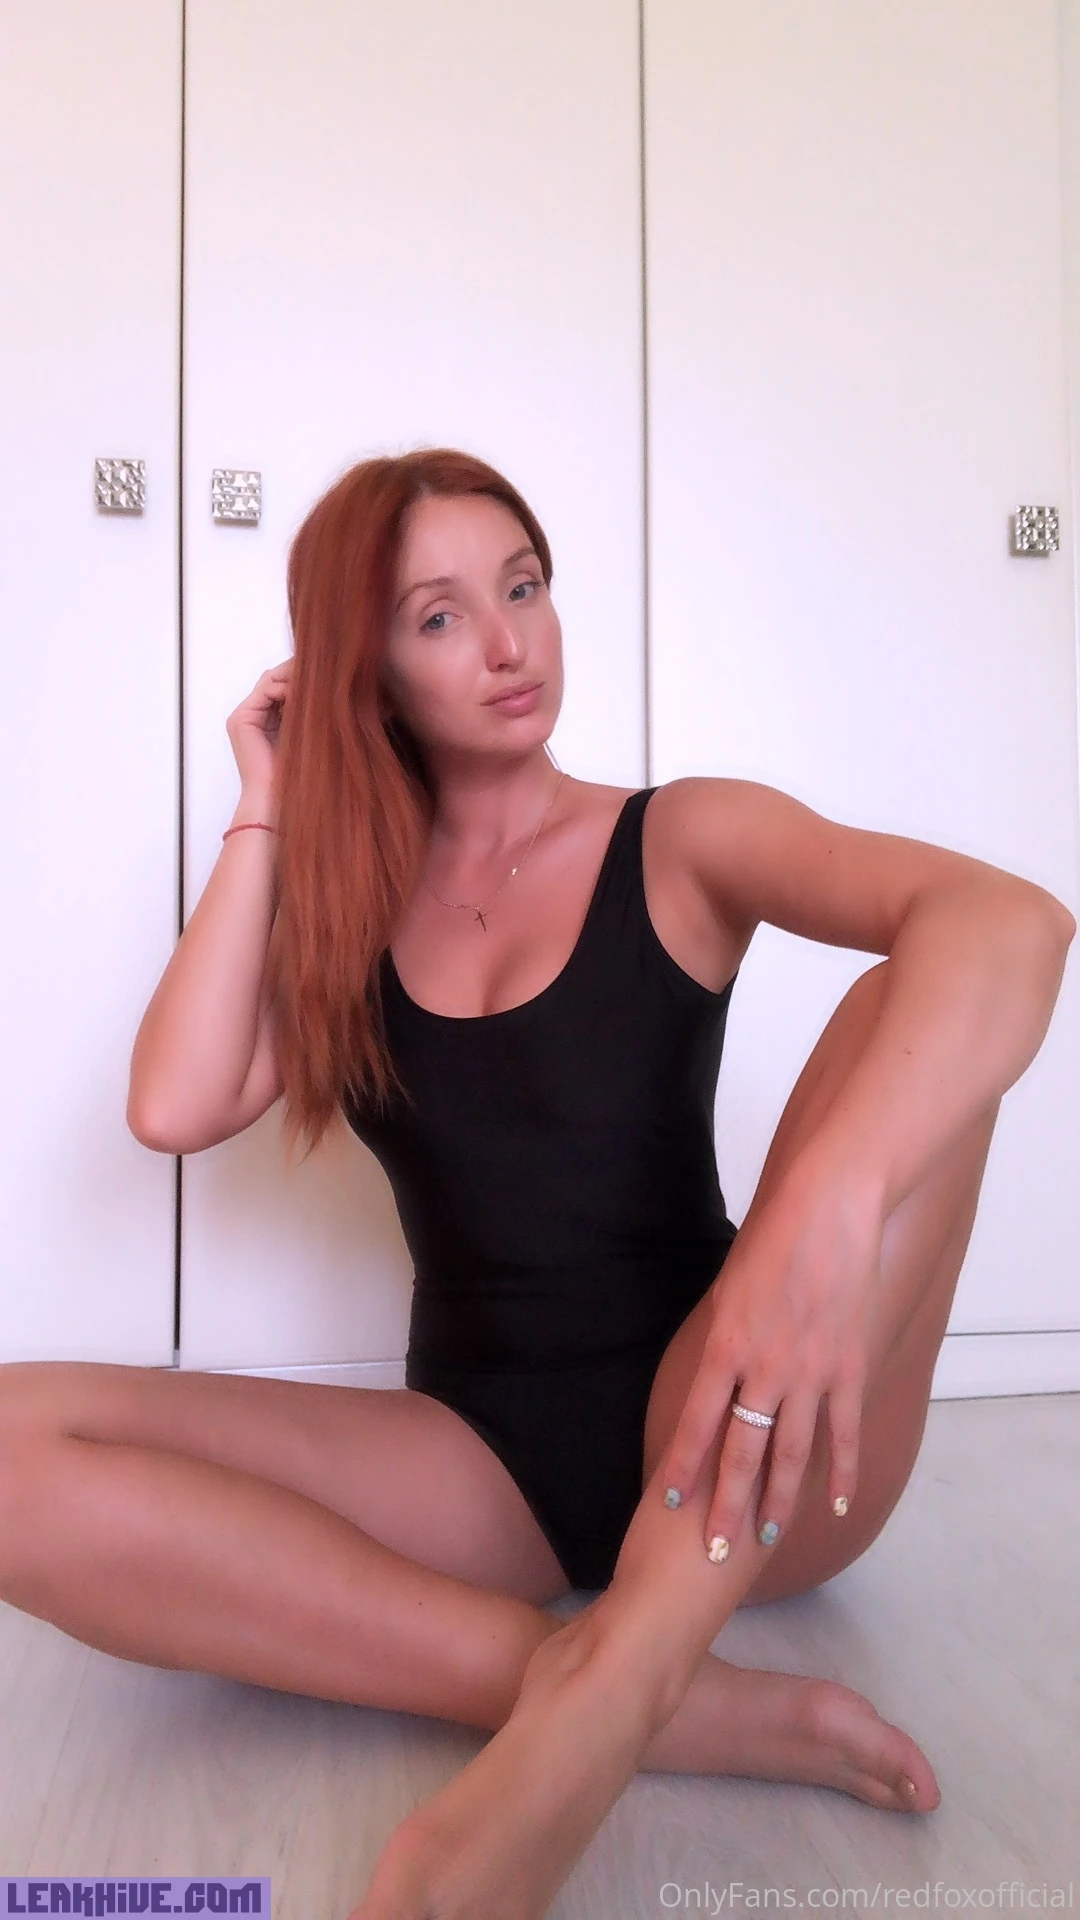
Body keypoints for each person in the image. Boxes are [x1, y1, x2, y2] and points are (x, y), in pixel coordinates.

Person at [0, 448, 1073, 1920]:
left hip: (737, 1416)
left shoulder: (679, 835)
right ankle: (654, 1698)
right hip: (473, 1466)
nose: (509, 643)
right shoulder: (352, 911)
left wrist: (825, 1208)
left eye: (524, 587)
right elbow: (173, 1104)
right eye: (440, 617)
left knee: (918, 1010)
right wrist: (269, 798)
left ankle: (614, 1692)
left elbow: (1016, 923)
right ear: (366, 668)